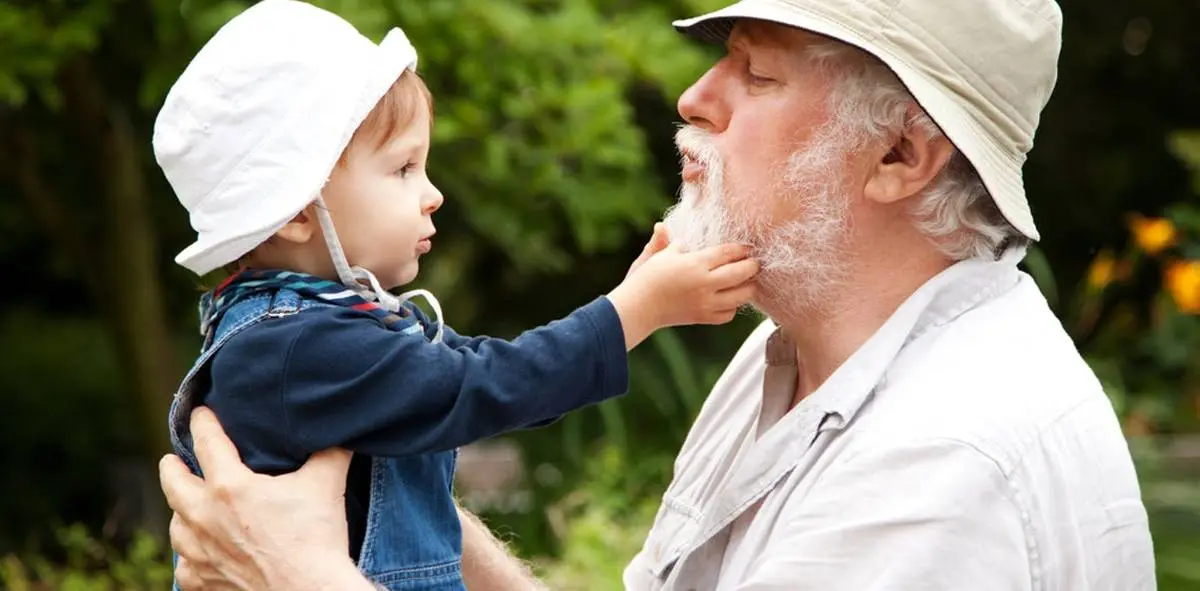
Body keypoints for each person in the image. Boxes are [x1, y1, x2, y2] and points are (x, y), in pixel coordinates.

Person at [159, 0, 1159, 589]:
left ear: (899, 154)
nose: (694, 95)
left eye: (756, 74)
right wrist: (427, 528)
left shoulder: (943, 470)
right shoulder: (792, 363)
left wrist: (306, 576)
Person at [152, 1, 760, 589]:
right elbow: (488, 386)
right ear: (297, 213)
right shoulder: (298, 348)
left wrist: (630, 298)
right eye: (402, 169)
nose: (432, 194)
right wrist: (637, 310)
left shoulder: (330, 328)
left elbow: (502, 375)